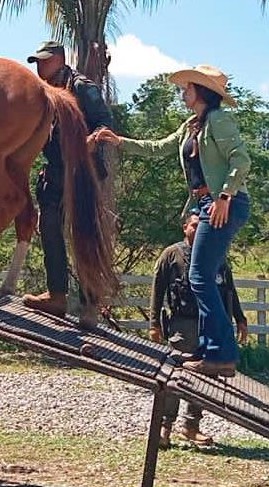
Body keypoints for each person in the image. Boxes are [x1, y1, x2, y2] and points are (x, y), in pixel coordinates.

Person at [92, 64, 252, 377]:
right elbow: (158, 148)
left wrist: (224, 198)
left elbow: (240, 159)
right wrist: (118, 140)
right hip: (208, 204)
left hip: (224, 204)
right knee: (202, 277)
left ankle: (222, 353)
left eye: (187, 88)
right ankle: (211, 351)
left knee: (200, 277)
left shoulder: (218, 120)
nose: (182, 93)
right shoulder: (191, 126)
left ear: (200, 92)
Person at [21, 40, 114, 323]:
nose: (40, 66)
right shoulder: (40, 92)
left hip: (83, 172)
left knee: (84, 233)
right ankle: (56, 296)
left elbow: (105, 122)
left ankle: (90, 304)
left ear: (60, 59)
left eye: (45, 60)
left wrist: (92, 139)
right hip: (56, 171)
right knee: (49, 227)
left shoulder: (83, 86)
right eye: (37, 62)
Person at [151, 212, 248, 447]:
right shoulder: (172, 254)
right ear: (185, 228)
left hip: (211, 325)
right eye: (194, 226)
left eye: (200, 226)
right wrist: (154, 323)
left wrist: (240, 318)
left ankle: (192, 425)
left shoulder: (215, 255)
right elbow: (158, 287)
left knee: (206, 377)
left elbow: (228, 289)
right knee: (176, 376)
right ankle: (164, 428)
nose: (197, 230)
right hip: (183, 324)